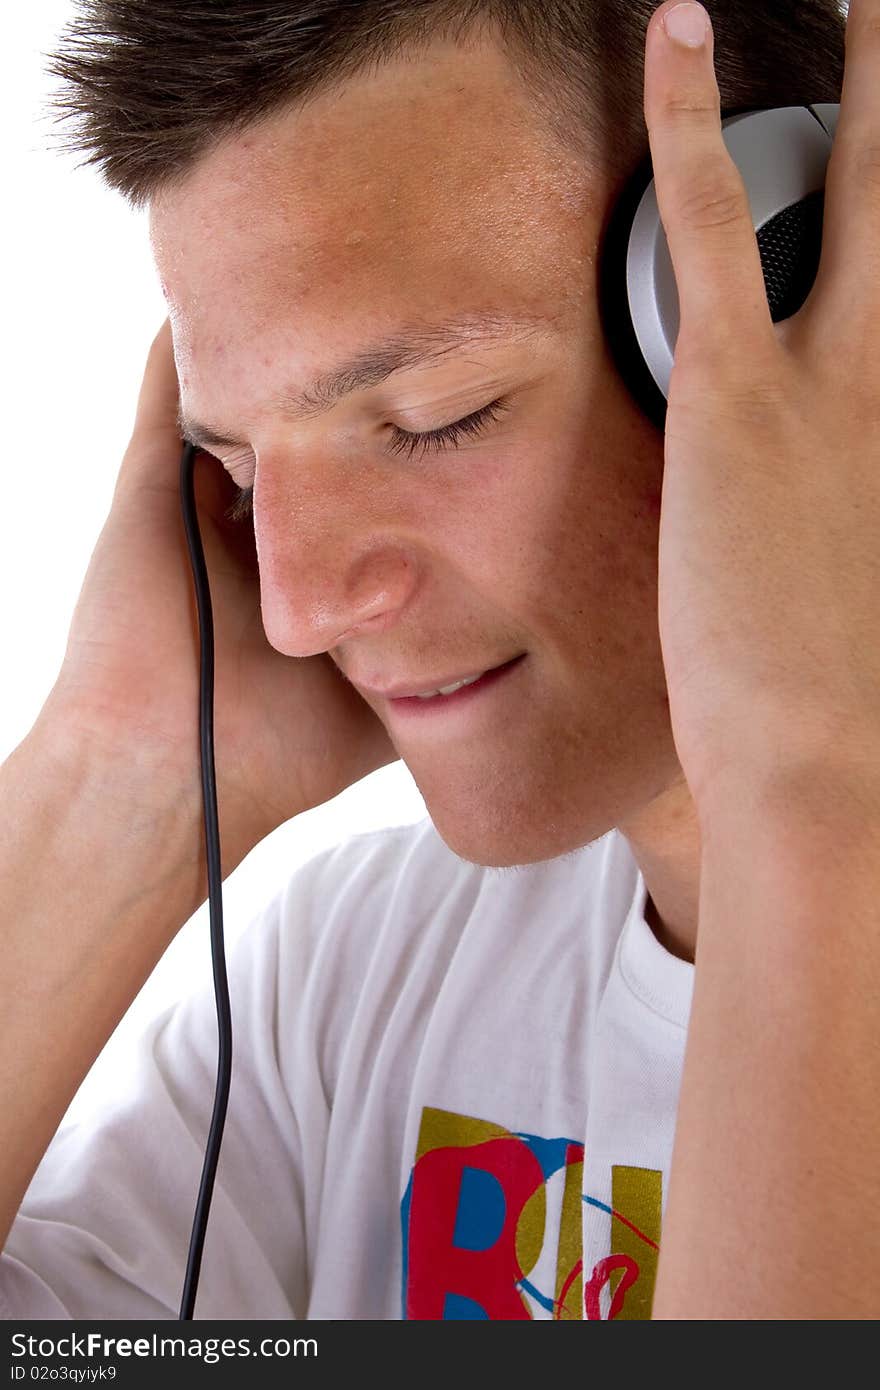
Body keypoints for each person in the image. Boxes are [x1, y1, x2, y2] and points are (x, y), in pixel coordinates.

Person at [2, 0, 876, 1321]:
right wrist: (116, 786)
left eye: (431, 419)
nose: (296, 607)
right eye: (236, 467)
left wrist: (808, 797)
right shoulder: (350, 984)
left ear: (794, 269)